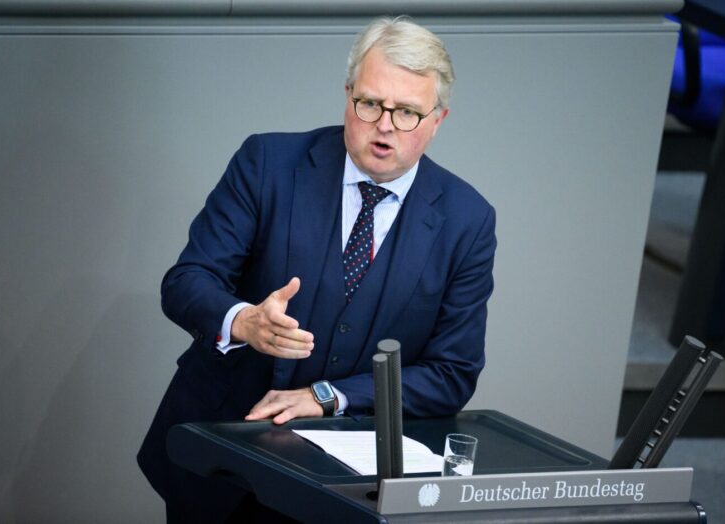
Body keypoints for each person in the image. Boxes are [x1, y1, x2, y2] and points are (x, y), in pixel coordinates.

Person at [138, 15, 496, 522]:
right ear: (348, 94)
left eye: (408, 112)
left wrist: (328, 396)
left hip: (349, 486)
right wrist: (244, 321)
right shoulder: (268, 162)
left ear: (438, 120)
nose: (385, 125)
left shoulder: (467, 219)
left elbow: (452, 372)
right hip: (221, 461)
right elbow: (186, 281)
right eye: (371, 103)